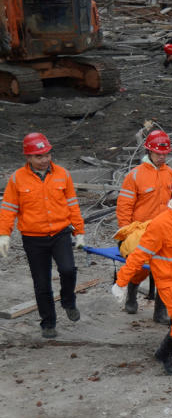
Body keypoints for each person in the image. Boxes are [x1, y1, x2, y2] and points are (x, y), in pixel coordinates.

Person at [111, 171, 172, 396]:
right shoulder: (161, 224)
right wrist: (121, 282)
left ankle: (163, 354)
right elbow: (139, 255)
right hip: (171, 284)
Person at [0, 132, 85, 339]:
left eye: (47, 154)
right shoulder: (17, 179)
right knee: (42, 282)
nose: (44, 159)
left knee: (68, 269)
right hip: (33, 238)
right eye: (39, 156)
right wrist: (4, 234)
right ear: (28, 158)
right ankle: (48, 322)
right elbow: (9, 208)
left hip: (60, 233)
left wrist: (80, 231)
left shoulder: (63, 174)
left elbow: (72, 205)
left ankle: (68, 300)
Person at [115, 129, 172, 322]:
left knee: (164, 272)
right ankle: (131, 292)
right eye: (158, 154)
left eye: (165, 154)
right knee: (139, 268)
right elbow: (124, 206)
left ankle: (160, 311)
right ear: (149, 151)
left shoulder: (171, 174)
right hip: (140, 231)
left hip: (164, 232)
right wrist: (125, 233)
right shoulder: (135, 176)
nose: (162, 157)